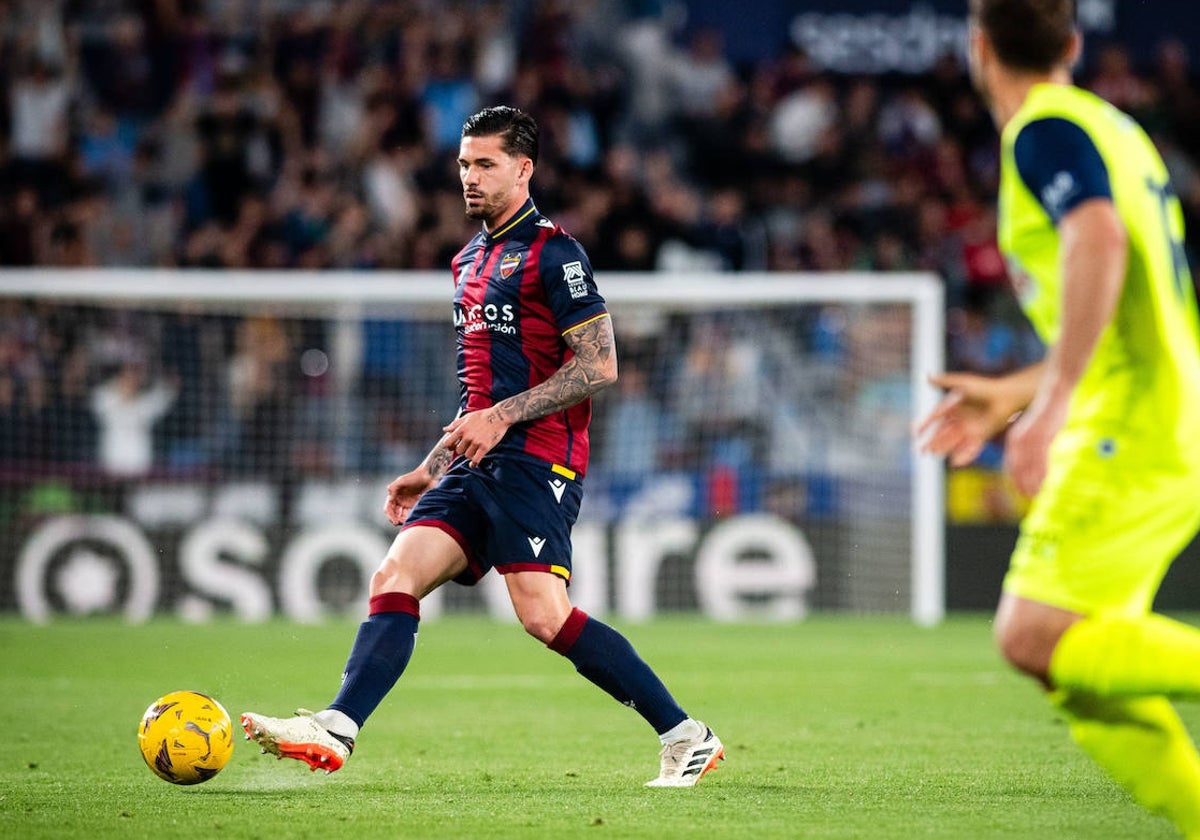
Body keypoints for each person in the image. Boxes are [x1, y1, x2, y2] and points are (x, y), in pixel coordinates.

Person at [241, 106, 724, 788]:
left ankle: (686, 735)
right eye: (464, 163)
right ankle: (338, 727)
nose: (470, 177)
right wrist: (429, 466)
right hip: (474, 461)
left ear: (523, 169)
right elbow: (478, 387)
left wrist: (502, 418)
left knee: (543, 617)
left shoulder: (556, 253)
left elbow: (599, 366)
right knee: (394, 576)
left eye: (486, 163)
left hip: (539, 458)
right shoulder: (466, 260)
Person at [917, 2, 1200, 836]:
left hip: (1132, 420)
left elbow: (1100, 243)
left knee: (1030, 635)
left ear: (978, 49)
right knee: (1071, 666)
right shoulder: (1116, 130)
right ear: (1074, 45)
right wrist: (1016, 394)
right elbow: (1123, 299)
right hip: (1164, 408)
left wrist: (1054, 400)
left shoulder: (1043, 127)